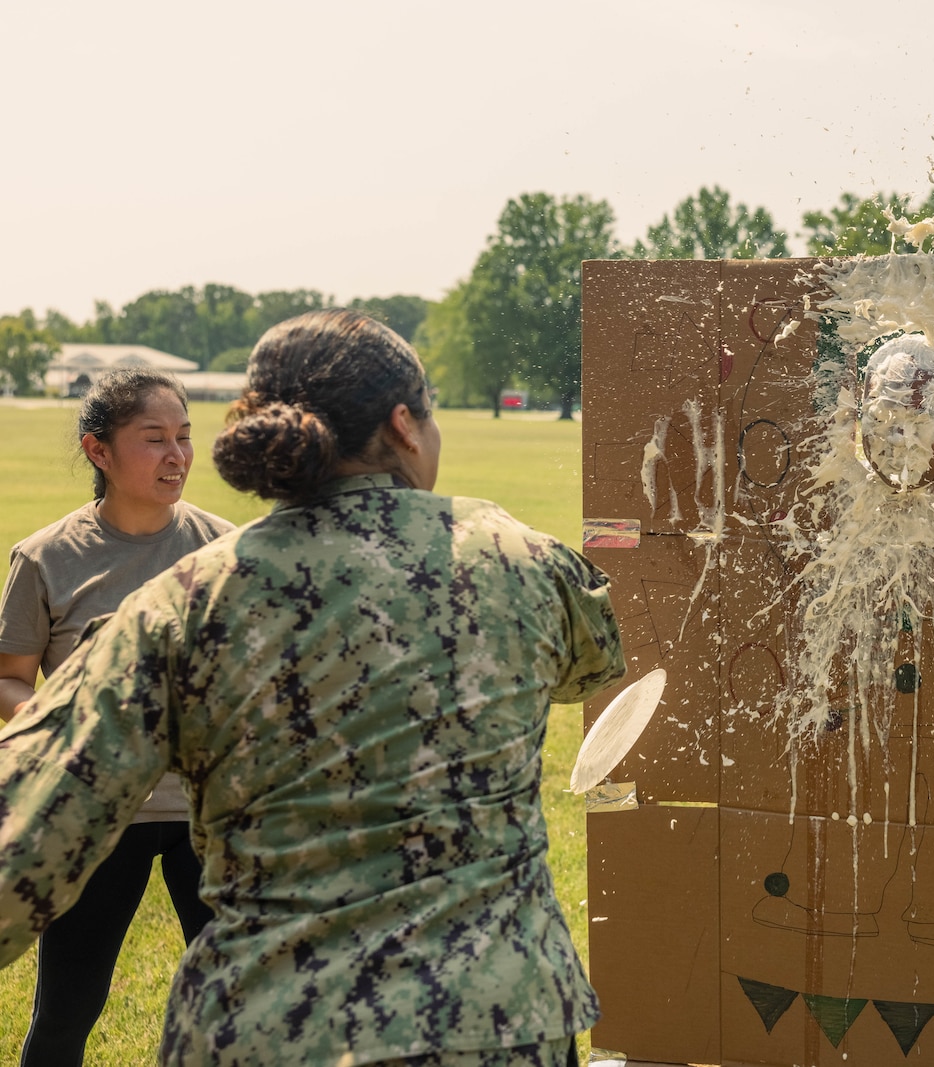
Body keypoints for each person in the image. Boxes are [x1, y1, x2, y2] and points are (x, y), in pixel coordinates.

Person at [0, 309, 626, 1066]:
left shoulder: (183, 602)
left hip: (266, 1031)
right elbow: (595, 665)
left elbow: (23, 844)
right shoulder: (523, 562)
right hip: (496, 1025)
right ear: (404, 425)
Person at [0, 369, 231, 1066]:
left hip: (208, 817)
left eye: (185, 437)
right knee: (69, 1009)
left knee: (238, 1008)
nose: (177, 455)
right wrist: (89, 722)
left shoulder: (226, 550)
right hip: (96, 815)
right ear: (98, 450)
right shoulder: (44, 558)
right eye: (154, 438)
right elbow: (9, 681)